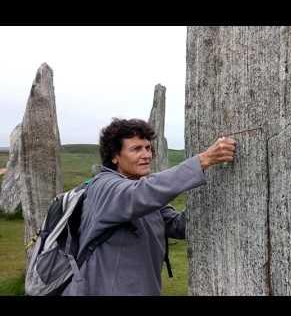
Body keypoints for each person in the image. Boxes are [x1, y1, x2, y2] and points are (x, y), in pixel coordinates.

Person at [61, 118, 236, 296]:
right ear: (115, 156)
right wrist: (202, 160)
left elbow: (177, 225)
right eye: (136, 149)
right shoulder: (104, 187)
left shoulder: (136, 189)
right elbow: (140, 194)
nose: (146, 155)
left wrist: (225, 196)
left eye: (148, 148)